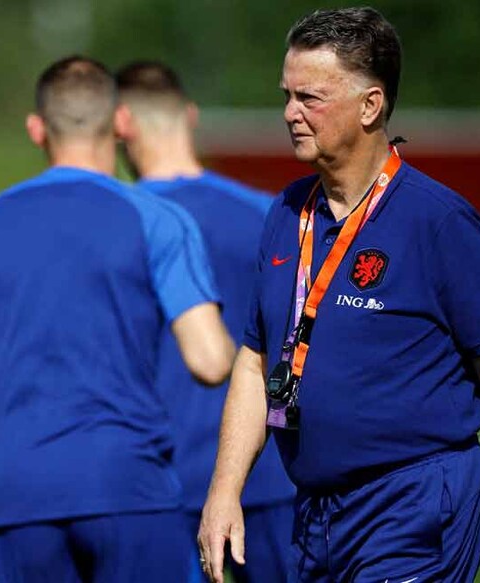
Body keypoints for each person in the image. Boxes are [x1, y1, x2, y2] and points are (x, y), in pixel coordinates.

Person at [198, 7, 480, 583]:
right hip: (316, 510)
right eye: (287, 95)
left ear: (370, 105)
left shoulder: (436, 221)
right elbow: (256, 362)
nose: (290, 113)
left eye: (310, 98)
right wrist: (224, 493)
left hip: (414, 502)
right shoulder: (287, 212)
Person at [0, 55, 236, 582]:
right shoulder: (157, 219)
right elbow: (210, 360)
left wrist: (27, 345)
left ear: (37, 128)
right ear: (120, 124)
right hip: (126, 483)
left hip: (17, 492)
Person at [114, 60, 297, 583]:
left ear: (119, 124)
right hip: (270, 473)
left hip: (159, 483)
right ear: (190, 115)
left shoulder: (116, 222)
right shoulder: (271, 214)